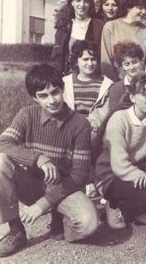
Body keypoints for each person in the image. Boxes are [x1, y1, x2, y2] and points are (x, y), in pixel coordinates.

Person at [0, 64, 99, 258]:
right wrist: (38, 158)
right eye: (43, 96)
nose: (52, 100)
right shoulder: (27, 115)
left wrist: (42, 205)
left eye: (55, 92)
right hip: (31, 184)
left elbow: (80, 176)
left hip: (63, 188)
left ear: (63, 89)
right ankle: (16, 231)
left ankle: (60, 217)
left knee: (89, 224)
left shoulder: (80, 124)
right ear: (34, 98)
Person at [94, 73, 146, 230]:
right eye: (144, 95)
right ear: (132, 97)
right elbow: (120, 166)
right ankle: (115, 204)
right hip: (111, 177)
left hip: (139, 175)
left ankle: (136, 212)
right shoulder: (119, 119)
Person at [62, 40, 114, 198]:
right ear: (76, 60)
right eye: (85, 59)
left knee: (89, 138)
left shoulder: (106, 84)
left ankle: (92, 182)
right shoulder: (65, 83)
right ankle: (81, 182)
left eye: (93, 59)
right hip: (69, 126)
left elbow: (104, 111)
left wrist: (88, 126)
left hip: (94, 129)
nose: (90, 63)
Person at [101, 0, 146, 81]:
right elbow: (106, 62)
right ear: (129, 7)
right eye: (140, 8)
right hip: (116, 83)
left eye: (145, 8)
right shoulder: (111, 27)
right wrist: (115, 85)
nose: (144, 12)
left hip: (140, 84)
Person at [52, 0, 103, 75]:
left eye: (86, 1)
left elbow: (101, 56)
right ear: (72, 2)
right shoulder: (64, 26)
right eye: (78, 0)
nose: (82, 5)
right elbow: (57, 56)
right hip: (67, 77)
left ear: (90, 4)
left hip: (91, 77)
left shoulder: (98, 26)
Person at [108, 42, 146, 112]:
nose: (131, 67)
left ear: (141, 61)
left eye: (135, 62)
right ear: (122, 67)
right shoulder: (116, 88)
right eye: (127, 64)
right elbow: (112, 115)